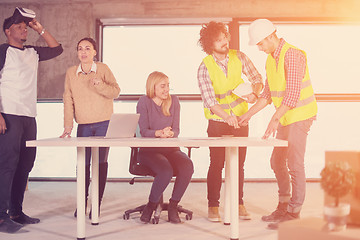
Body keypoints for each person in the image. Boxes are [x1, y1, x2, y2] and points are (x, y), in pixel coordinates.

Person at [238, 19, 318, 229]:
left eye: (261, 43)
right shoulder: (270, 59)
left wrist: (273, 121)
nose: (259, 48)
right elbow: (267, 94)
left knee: (294, 163)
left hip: (300, 116)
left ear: (271, 36)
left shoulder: (292, 55)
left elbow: (291, 96)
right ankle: (283, 205)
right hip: (286, 117)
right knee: (277, 162)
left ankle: (293, 213)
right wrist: (248, 115)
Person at [0, 7, 63, 233]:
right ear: (8, 31)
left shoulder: (32, 52)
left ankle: (16, 212)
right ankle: (0, 217)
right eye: (19, 27)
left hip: (29, 116)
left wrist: (40, 28)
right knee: (7, 165)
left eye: (26, 27)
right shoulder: (3, 51)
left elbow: (57, 49)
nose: (24, 30)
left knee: (25, 164)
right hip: (8, 114)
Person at [197, 21, 263, 222]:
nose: (225, 42)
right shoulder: (204, 67)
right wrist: (227, 117)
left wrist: (254, 93)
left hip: (241, 119)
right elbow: (209, 100)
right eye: (219, 40)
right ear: (210, 45)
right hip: (218, 121)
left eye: (225, 37)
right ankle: (213, 206)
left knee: (238, 164)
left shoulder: (240, 56)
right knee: (216, 164)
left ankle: (238, 203)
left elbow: (257, 78)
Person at [60, 37, 120, 218]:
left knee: (100, 165)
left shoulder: (103, 69)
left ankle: (97, 204)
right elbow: (68, 99)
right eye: (80, 49)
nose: (83, 52)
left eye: (87, 48)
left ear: (94, 52)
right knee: (83, 165)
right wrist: (68, 125)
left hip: (104, 124)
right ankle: (82, 202)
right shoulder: (71, 72)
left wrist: (100, 85)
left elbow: (116, 91)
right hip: (83, 126)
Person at [136, 71, 194, 224]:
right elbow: (143, 131)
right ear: (152, 87)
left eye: (168, 85)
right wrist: (159, 133)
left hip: (170, 149)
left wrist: (170, 133)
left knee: (187, 166)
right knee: (165, 170)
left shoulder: (174, 101)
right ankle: (151, 205)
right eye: (162, 86)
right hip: (149, 151)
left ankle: (173, 205)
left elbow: (176, 129)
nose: (166, 89)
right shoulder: (144, 102)